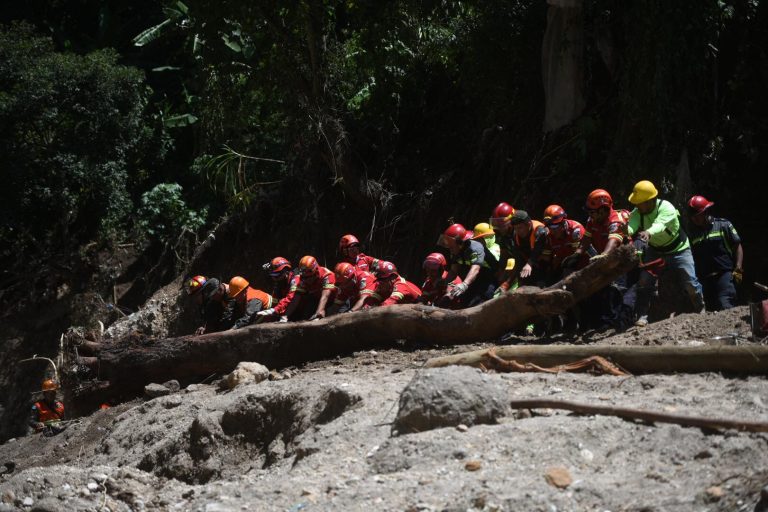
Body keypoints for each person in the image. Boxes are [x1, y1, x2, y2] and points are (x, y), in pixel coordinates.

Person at [627, 180, 704, 326]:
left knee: (690, 282)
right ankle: (642, 315)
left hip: (679, 249)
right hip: (655, 250)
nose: (636, 205)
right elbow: (631, 227)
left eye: (639, 202)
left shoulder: (666, 207)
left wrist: (648, 232)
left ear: (650, 200)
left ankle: (700, 308)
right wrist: (625, 230)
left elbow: (660, 225)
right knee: (644, 281)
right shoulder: (637, 213)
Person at [568, 189, 632, 331]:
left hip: (623, 260)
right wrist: (578, 253)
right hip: (606, 259)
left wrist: (604, 255)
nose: (590, 214)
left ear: (602, 210)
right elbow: (587, 238)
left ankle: (620, 324)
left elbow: (614, 240)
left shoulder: (616, 220)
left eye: (592, 211)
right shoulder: (593, 220)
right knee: (598, 290)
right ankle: (602, 324)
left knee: (617, 290)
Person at [687, 195, 743, 311]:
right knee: (708, 311)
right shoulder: (692, 234)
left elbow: (737, 245)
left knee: (725, 304)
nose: (694, 219)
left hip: (724, 274)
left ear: (705, 211)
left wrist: (738, 268)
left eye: (697, 215)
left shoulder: (723, 225)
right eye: (692, 216)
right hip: (704, 279)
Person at [437, 223, 498, 307]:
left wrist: (464, 284)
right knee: (462, 304)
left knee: (478, 304)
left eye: (451, 246)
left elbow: (476, 268)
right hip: (472, 280)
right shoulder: (455, 251)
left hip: (488, 280)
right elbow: (454, 270)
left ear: (460, 243)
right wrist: (445, 283)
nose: (449, 249)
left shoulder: (475, 248)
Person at [272, 256, 337, 320]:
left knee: (330, 313)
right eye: (304, 277)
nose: (306, 280)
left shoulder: (327, 275)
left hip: (333, 300)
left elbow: (325, 296)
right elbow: (295, 299)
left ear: (315, 271)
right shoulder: (301, 278)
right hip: (315, 299)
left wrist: (320, 310)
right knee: (306, 314)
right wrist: (285, 316)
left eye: (309, 277)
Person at [497, 210, 549, 288]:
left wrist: (530, 263)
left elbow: (539, 249)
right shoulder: (516, 236)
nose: (518, 231)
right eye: (515, 228)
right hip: (530, 264)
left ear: (528, 224)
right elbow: (519, 259)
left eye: (520, 228)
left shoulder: (540, 231)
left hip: (545, 263)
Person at [542, 204, 586, 281]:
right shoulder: (549, 236)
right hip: (565, 266)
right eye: (549, 227)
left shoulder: (575, 230)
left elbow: (578, 256)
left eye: (554, 227)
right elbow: (546, 259)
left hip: (583, 264)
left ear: (563, 223)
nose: (552, 231)